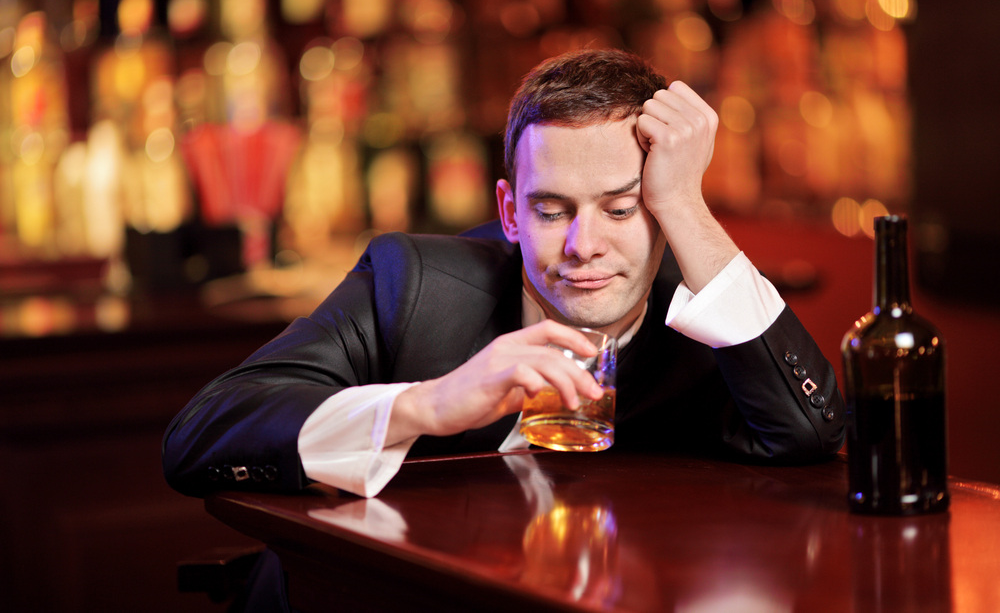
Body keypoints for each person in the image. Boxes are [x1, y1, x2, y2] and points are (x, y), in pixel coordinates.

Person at [163, 49, 844, 503]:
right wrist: (426, 404)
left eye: (622, 207)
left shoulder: (708, 326)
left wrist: (685, 204)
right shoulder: (412, 284)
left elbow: (813, 434)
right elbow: (198, 438)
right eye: (551, 210)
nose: (584, 245)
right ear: (509, 211)